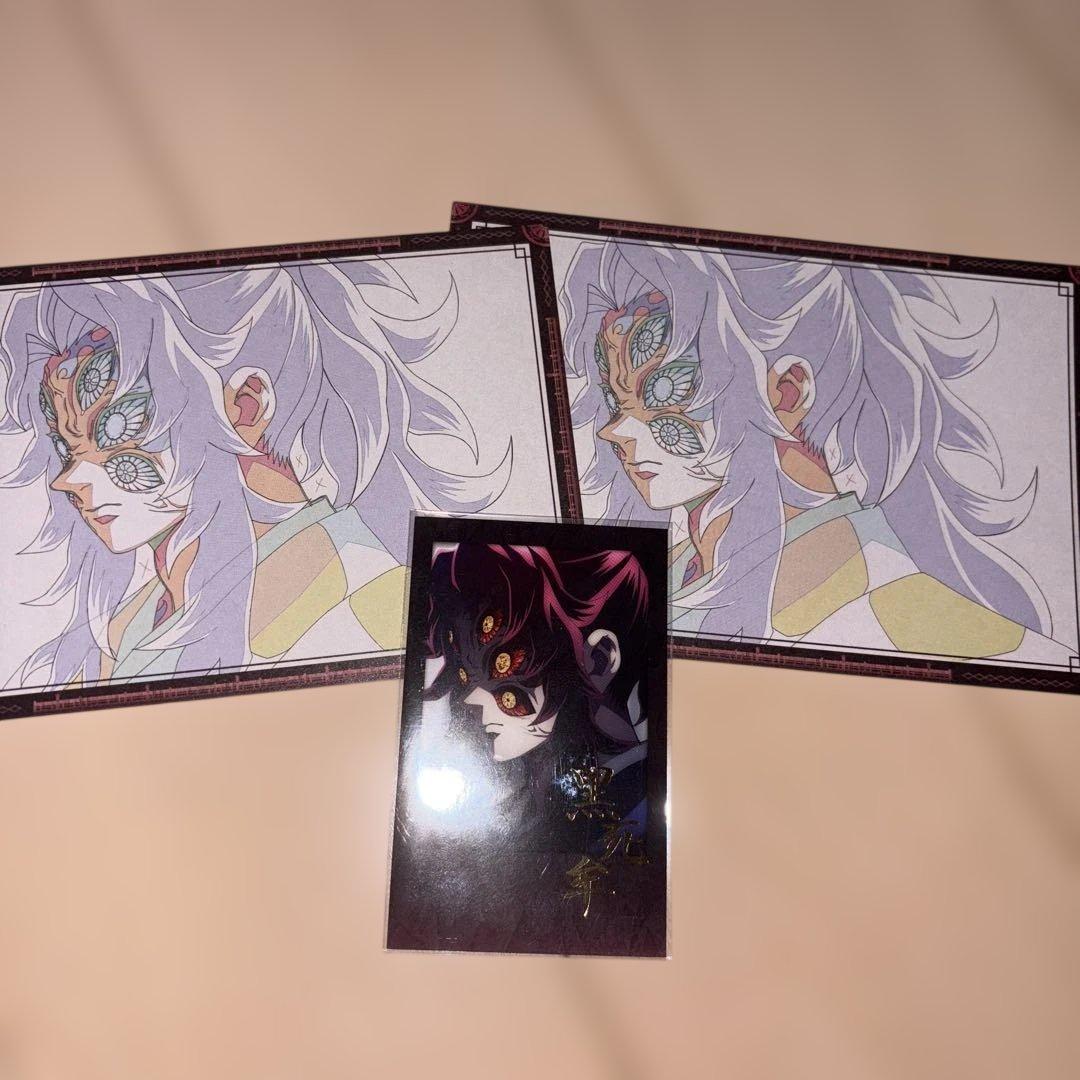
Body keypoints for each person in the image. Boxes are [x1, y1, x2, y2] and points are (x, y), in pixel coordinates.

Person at [0, 258, 509, 689]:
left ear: (245, 408)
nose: (68, 480)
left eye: (114, 429)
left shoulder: (365, 595)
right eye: (67, 448)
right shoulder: (137, 620)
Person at [561, 240, 1074, 664]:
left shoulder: (887, 611)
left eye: (663, 391)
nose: (614, 431)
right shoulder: (661, 582)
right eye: (615, 398)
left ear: (786, 394)